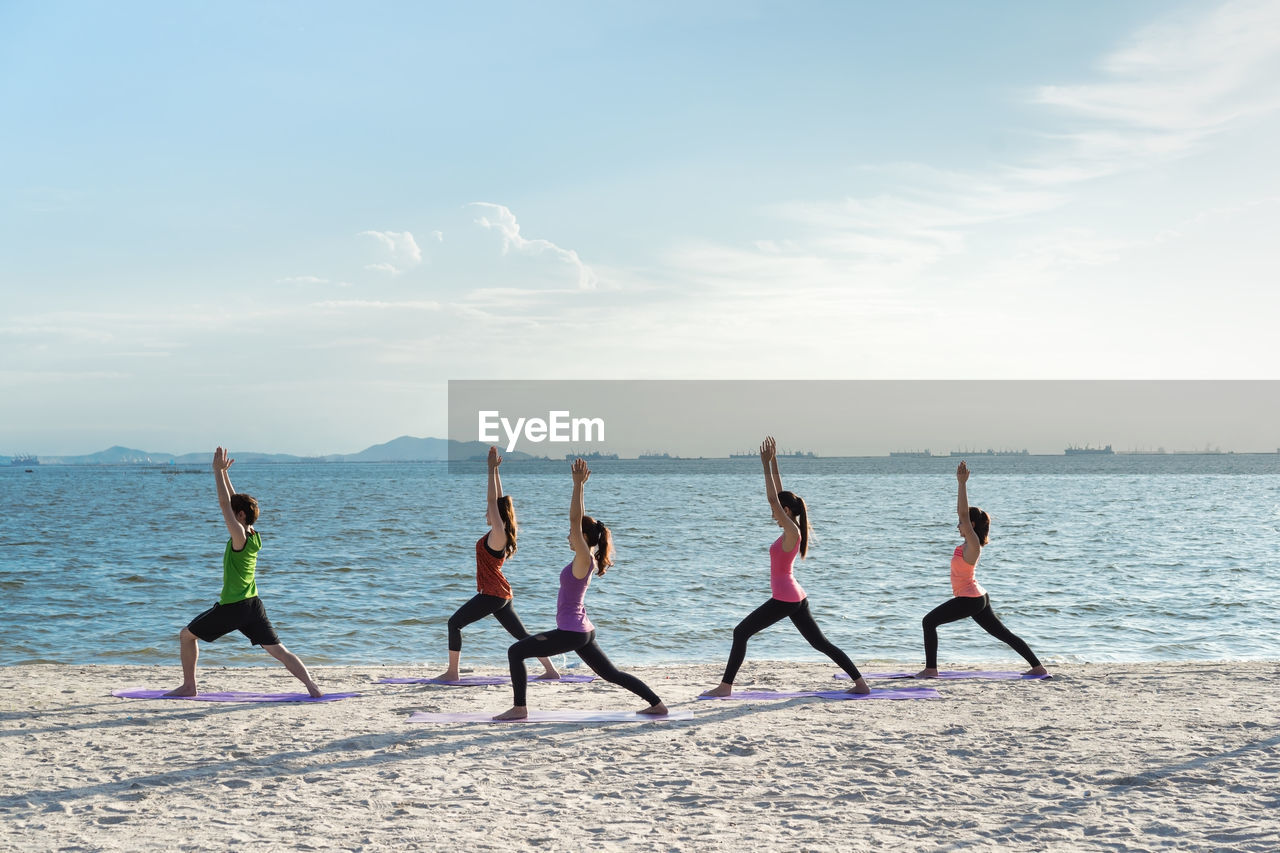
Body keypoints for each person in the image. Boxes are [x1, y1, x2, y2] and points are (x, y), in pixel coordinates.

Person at [493, 458, 667, 720]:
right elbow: (576, 524)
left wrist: (577, 486)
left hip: (572, 632)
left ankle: (519, 708)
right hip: (583, 630)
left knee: (516, 652)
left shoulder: (585, 557)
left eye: (573, 533)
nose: (568, 535)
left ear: (583, 538)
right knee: (611, 675)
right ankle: (657, 704)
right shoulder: (585, 559)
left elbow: (575, 520)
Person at [702, 436, 870, 697]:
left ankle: (725, 687)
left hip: (786, 598)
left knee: (741, 632)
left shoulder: (791, 530)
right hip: (795, 597)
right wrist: (774, 460)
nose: (773, 512)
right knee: (820, 643)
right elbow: (778, 495)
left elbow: (773, 498)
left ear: (787, 511)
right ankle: (861, 684)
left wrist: (764, 466)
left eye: (779, 510)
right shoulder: (791, 529)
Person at [164, 447, 323, 697]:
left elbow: (223, 504)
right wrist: (225, 474)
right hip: (253, 606)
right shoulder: (254, 536)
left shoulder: (239, 536)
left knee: (186, 636)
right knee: (280, 651)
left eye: (233, 511)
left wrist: (216, 473)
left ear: (239, 515)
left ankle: (189, 686)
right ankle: (312, 687)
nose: (228, 511)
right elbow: (232, 501)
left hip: (233, 607)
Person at [434, 446, 559, 682]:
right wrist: (496, 471)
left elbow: (493, 500)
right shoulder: (499, 532)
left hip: (492, 594)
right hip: (500, 594)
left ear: (497, 516)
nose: (486, 513)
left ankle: (452, 673)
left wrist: (490, 470)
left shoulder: (498, 533)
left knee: (454, 624)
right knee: (522, 635)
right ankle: (551, 671)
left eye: (488, 511)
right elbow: (498, 500)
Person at [915, 461, 1049, 678]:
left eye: (961, 523)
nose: (958, 525)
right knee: (1003, 634)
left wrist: (961, 484)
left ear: (971, 526)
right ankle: (1038, 667)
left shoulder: (973, 544)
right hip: (977, 596)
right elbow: (963, 518)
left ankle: (931, 670)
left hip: (970, 599)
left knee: (928, 622)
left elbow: (963, 514)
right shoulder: (966, 545)